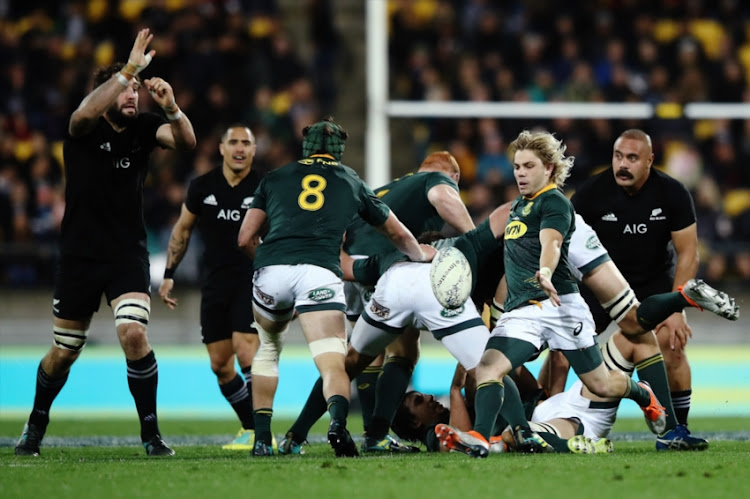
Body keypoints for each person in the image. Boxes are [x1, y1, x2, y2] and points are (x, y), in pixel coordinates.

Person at [14, 29, 196, 457]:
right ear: (107, 92)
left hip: (125, 253)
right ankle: (35, 425)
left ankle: (151, 434)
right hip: (78, 254)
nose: (134, 95)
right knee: (65, 351)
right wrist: (129, 68)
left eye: (137, 89)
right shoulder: (83, 127)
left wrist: (171, 107)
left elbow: (186, 142)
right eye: (127, 89)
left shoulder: (144, 127)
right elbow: (81, 113)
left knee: (133, 333)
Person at [437, 130, 667, 458]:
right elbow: (472, 243)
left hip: (561, 307)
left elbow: (552, 242)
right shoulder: (513, 209)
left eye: (528, 166)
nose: (520, 172)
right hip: (523, 313)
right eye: (516, 166)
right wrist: (434, 253)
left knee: (600, 385)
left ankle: (641, 393)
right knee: (487, 368)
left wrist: (545, 272)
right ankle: (479, 436)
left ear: (548, 169)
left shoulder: (556, 203)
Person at [236, 117, 435, 457]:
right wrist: (419, 255)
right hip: (320, 274)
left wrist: (269, 264)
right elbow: (397, 233)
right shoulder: (350, 180)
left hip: (272, 269)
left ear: (306, 146)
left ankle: (261, 441)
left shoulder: (275, 177)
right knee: (332, 362)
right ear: (339, 150)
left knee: (268, 349)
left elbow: (244, 238)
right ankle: (338, 426)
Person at [490, 207, 738, 450]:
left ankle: (657, 415)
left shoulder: (491, 379)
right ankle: (683, 298)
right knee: (634, 325)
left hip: (577, 394)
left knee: (634, 332)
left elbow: (520, 373)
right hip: (569, 414)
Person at [278, 229, 496, 455]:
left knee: (358, 358)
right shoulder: (427, 199)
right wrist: (471, 239)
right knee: (404, 354)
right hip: (395, 270)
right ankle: (374, 435)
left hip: (365, 267)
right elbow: (442, 203)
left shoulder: (365, 208)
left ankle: (298, 435)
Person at [571, 129, 715, 446]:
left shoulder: (672, 193)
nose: (623, 165)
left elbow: (689, 252)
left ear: (649, 161)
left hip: (653, 284)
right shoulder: (592, 192)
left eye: (632, 158)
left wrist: (676, 308)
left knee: (672, 343)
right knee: (560, 350)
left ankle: (676, 431)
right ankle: (541, 419)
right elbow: (564, 241)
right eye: (618, 156)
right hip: (602, 285)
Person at [341, 150, 475, 445]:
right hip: (380, 266)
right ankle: (372, 435)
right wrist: (477, 240)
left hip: (349, 264)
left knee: (366, 352)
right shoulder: (437, 180)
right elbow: (442, 197)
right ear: (454, 176)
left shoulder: (390, 189)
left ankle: (326, 430)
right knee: (397, 354)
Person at [158, 125, 262, 450]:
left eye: (246, 143)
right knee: (220, 366)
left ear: (254, 150)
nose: (240, 148)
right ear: (221, 148)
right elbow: (182, 230)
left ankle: (263, 429)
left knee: (246, 351)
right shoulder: (203, 187)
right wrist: (169, 272)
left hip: (252, 280)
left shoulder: (264, 187)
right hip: (214, 283)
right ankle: (251, 427)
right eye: (234, 142)